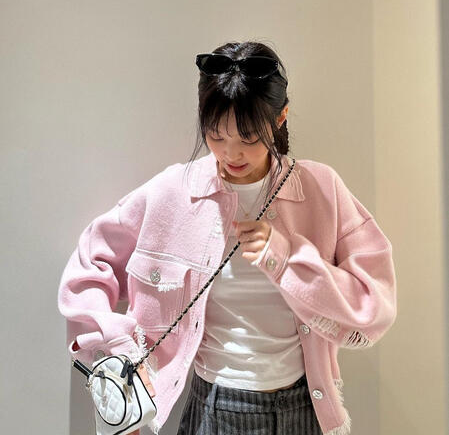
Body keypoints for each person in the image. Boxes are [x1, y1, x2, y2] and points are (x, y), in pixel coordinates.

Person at [57, 40, 397, 435]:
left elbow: (376, 304)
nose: (231, 153)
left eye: (248, 138)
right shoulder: (175, 192)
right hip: (215, 412)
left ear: (281, 117)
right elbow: (89, 263)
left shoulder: (320, 188)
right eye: (216, 135)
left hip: (306, 411)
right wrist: (119, 351)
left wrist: (285, 258)